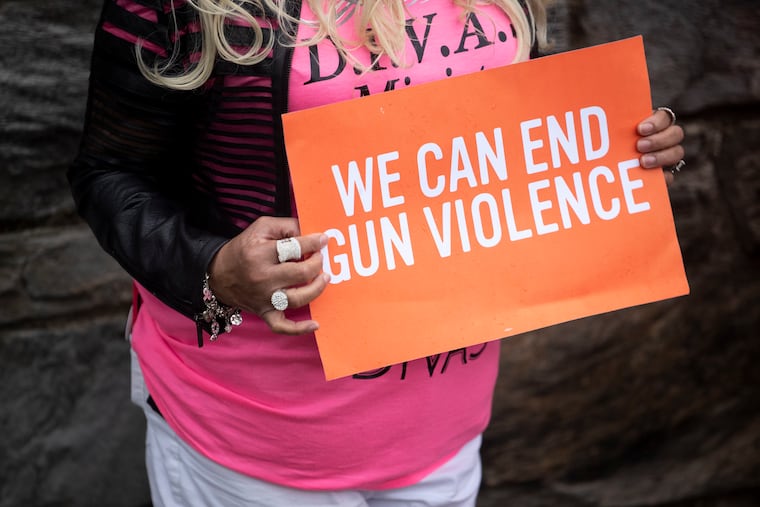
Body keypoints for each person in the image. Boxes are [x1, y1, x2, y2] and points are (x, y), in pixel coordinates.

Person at [68, 0, 686, 505]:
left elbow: (498, 113)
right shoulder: (182, 5)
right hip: (254, 436)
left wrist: (618, 145)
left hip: (442, 426)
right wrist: (212, 269)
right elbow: (108, 172)